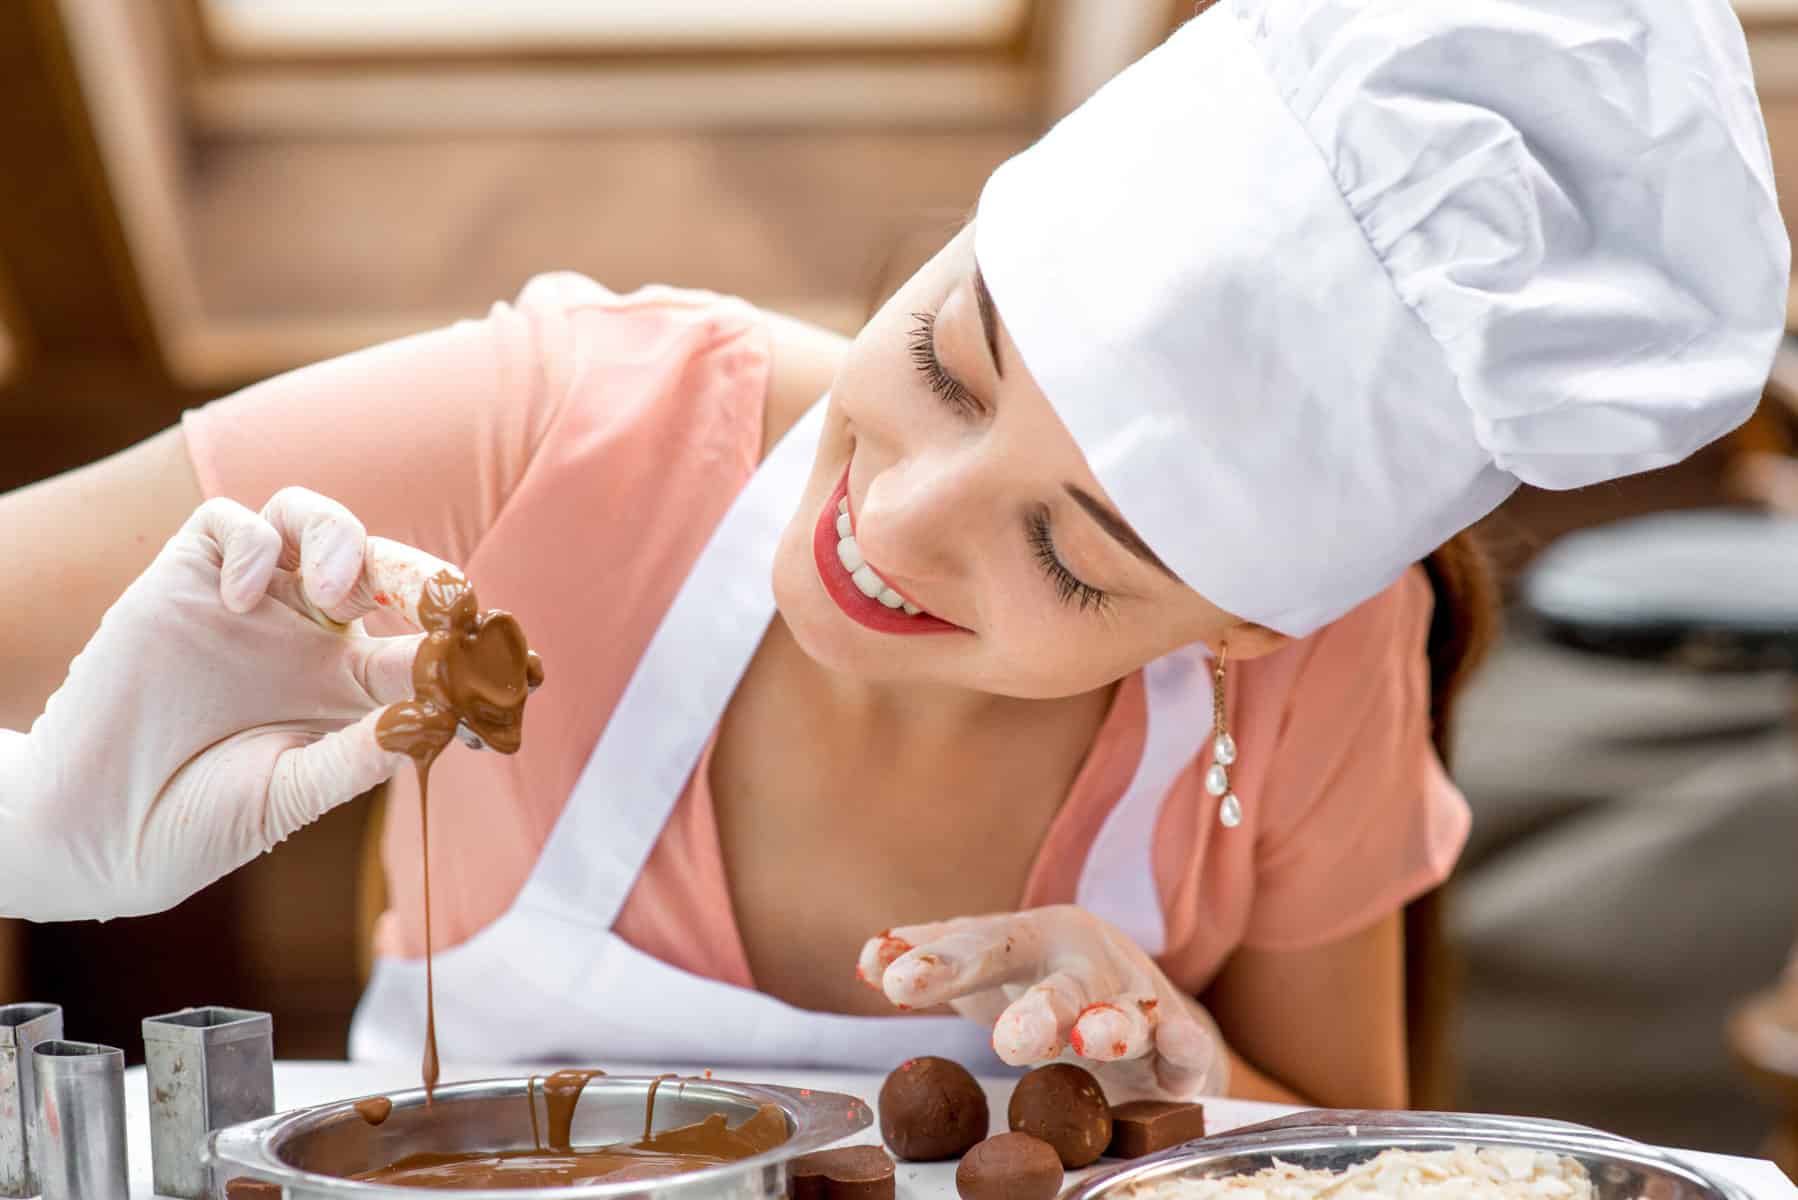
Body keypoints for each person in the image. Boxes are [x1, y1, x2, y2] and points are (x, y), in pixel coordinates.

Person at [0, 0, 1786, 1107]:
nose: (892, 523)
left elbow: (1373, 1168)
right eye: (945, 360)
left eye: (1076, 557)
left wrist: (1195, 1092)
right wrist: (31, 830)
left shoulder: (1334, 655)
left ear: (1241, 628)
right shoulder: (560, 424)